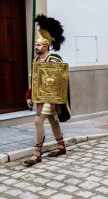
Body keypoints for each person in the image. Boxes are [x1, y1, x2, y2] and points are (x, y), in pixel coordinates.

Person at [24, 14, 70, 166]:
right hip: (40, 97)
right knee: (52, 120)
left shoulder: (54, 59)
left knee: (38, 121)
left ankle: (37, 154)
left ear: (46, 45)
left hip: (50, 98)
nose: (36, 47)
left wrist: (57, 100)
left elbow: (60, 81)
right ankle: (61, 145)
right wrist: (29, 95)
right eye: (36, 44)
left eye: (38, 45)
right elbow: (35, 81)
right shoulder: (37, 60)